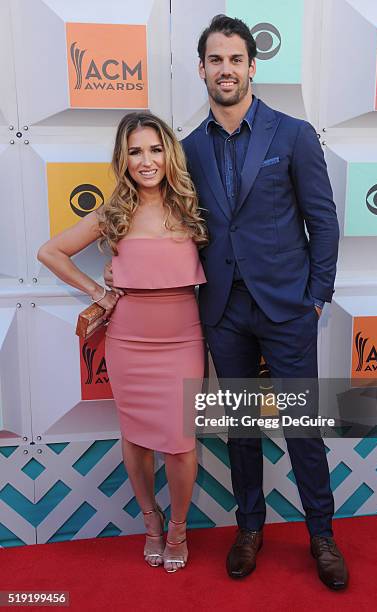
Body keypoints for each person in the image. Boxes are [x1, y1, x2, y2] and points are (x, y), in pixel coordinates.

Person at [106, 14, 348, 590]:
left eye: (235, 59)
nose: (225, 70)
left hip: (288, 309)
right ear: (201, 69)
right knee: (241, 429)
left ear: (252, 67)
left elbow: (324, 221)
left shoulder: (292, 134)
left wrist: (315, 298)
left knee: (301, 428)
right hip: (222, 313)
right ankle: (249, 530)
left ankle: (322, 536)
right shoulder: (184, 150)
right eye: (215, 60)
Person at [38, 112, 207, 573]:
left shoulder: (194, 206)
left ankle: (178, 527)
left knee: (180, 441)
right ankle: (150, 523)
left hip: (183, 340)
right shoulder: (113, 214)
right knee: (135, 437)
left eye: (155, 149)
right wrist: (99, 291)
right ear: (123, 159)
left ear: (169, 154)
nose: (146, 160)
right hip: (129, 341)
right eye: (135, 151)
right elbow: (50, 251)